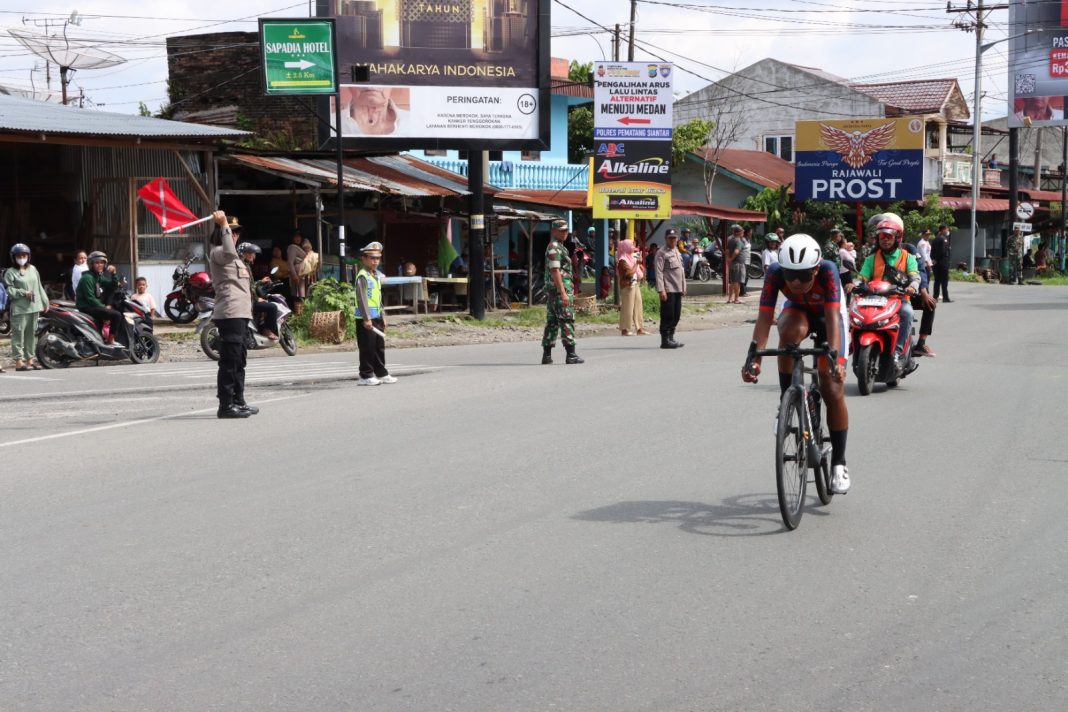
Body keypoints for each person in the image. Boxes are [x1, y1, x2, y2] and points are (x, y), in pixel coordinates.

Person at [742, 233, 852, 494]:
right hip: (798, 312)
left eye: (804, 276)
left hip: (830, 317)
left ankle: (839, 463)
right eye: (791, 274)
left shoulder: (828, 271)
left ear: (816, 268)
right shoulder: (775, 274)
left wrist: (835, 358)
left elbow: (834, 317)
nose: (795, 281)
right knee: (788, 333)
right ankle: (786, 401)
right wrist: (754, 359)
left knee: (831, 386)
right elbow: (764, 318)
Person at [855, 213, 920, 372]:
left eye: (888, 236)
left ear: (897, 238)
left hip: (898, 299)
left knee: (907, 313)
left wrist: (913, 286)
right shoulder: (872, 258)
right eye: (881, 236)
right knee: (854, 313)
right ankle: (853, 347)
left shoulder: (908, 257)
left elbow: (915, 277)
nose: (884, 239)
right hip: (873, 299)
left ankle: (898, 351)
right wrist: (854, 284)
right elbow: (862, 277)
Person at [208, 211, 257, 418]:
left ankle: (239, 399)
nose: (235, 235)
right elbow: (228, 251)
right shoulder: (219, 251)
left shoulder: (236, 258)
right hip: (230, 313)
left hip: (241, 313)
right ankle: (226, 405)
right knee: (229, 360)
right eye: (232, 231)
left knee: (239, 359)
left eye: (236, 232)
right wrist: (223, 225)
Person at [354, 241, 397, 385]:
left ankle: (381, 372)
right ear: (364, 259)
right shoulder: (362, 276)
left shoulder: (375, 275)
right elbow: (362, 299)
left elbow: (378, 298)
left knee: (378, 346)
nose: (375, 261)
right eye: (372, 258)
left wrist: (382, 315)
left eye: (377, 258)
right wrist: (366, 318)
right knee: (367, 347)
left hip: (376, 316)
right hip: (365, 318)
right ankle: (365, 375)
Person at [541, 219, 583, 364]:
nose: (565, 233)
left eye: (566, 230)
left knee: (552, 322)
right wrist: (563, 292)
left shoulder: (560, 247)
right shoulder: (554, 247)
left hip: (556, 291)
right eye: (561, 230)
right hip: (559, 291)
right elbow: (555, 271)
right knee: (566, 320)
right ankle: (571, 354)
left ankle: (547, 356)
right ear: (554, 231)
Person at [2, 243, 49, 371]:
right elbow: (8, 290)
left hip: (34, 307)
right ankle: (19, 361)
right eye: (19, 255)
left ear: (28, 256)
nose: (22, 257)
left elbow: (39, 286)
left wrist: (45, 301)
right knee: (18, 335)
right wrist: (23, 293)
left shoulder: (33, 269)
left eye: (24, 255)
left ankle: (30, 360)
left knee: (31, 334)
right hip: (19, 308)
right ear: (13, 257)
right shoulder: (10, 273)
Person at [75, 251, 122, 344]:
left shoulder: (97, 277)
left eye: (102, 262)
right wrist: (104, 307)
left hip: (91, 306)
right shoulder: (87, 278)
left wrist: (113, 274)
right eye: (96, 263)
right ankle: (110, 341)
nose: (99, 265)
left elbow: (112, 286)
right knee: (117, 315)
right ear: (91, 264)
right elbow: (90, 298)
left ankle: (99, 342)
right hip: (86, 307)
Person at [902, 241, 938, 358]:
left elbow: (920, 270)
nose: (886, 240)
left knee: (930, 304)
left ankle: (921, 344)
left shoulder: (909, 249)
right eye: (883, 236)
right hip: (883, 294)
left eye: (891, 236)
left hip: (908, 292)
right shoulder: (877, 250)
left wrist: (923, 291)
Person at [238, 243, 279, 340]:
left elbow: (249, 284)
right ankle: (267, 330)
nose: (254, 255)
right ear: (244, 254)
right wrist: (256, 299)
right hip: (247, 302)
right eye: (251, 253)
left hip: (245, 299)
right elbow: (247, 286)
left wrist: (261, 281)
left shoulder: (244, 264)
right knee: (272, 307)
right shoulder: (243, 266)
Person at [654, 228, 686, 349]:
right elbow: (659, 272)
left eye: (674, 238)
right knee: (668, 315)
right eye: (670, 238)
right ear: (666, 238)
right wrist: (661, 290)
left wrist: (684, 286)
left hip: (678, 288)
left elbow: (681, 270)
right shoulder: (662, 253)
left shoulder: (677, 251)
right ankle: (665, 340)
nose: (672, 240)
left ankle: (671, 338)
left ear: (677, 239)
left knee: (676, 315)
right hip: (668, 288)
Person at [616, 238, 646, 336]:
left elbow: (640, 260)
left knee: (638, 305)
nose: (633, 248)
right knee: (627, 307)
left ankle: (640, 328)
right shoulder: (622, 260)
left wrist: (640, 262)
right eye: (631, 245)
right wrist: (637, 264)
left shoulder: (632, 256)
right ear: (626, 247)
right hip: (627, 285)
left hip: (635, 283)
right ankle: (625, 329)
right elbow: (628, 274)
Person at [930, 224, 952, 302]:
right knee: (944, 281)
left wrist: (933, 259)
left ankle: (935, 297)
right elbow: (942, 251)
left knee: (937, 281)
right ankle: (945, 298)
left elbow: (932, 251)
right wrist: (936, 259)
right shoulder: (943, 239)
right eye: (946, 229)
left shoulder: (935, 239)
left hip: (936, 264)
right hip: (943, 263)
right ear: (942, 230)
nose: (947, 231)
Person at [287, 232, 307, 313]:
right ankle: (298, 315)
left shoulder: (301, 247)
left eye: (299, 236)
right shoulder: (292, 247)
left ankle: (302, 314)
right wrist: (294, 275)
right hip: (297, 275)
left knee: (302, 295)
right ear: (292, 238)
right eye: (295, 237)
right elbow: (290, 263)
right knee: (298, 295)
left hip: (303, 275)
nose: (298, 238)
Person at [726, 224, 745, 304]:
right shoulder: (738, 240)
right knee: (737, 282)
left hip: (733, 263)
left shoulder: (730, 240)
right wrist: (731, 258)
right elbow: (737, 251)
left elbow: (727, 250)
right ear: (739, 232)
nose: (743, 232)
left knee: (732, 282)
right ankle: (736, 299)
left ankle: (730, 298)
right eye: (742, 231)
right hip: (738, 263)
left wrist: (728, 259)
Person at [740, 227, 753, 296]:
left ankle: (744, 291)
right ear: (747, 232)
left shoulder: (748, 240)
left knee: (746, 277)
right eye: (750, 232)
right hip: (743, 261)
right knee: (743, 276)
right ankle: (742, 292)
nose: (751, 233)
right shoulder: (743, 240)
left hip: (748, 260)